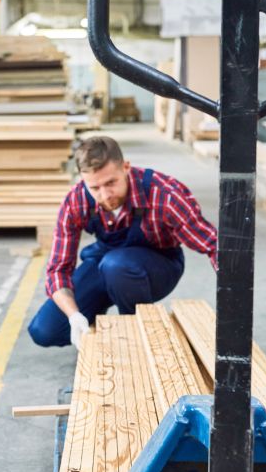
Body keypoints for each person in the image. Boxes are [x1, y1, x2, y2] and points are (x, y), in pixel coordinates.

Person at [27, 136, 217, 348]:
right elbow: (58, 270)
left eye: (111, 183)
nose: (105, 195)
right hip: (104, 262)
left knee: (117, 266)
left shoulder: (164, 195)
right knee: (44, 331)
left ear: (126, 167)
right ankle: (96, 315)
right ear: (82, 180)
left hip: (158, 266)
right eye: (95, 188)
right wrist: (74, 316)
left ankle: (135, 335)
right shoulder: (76, 201)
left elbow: (213, 245)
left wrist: (234, 300)